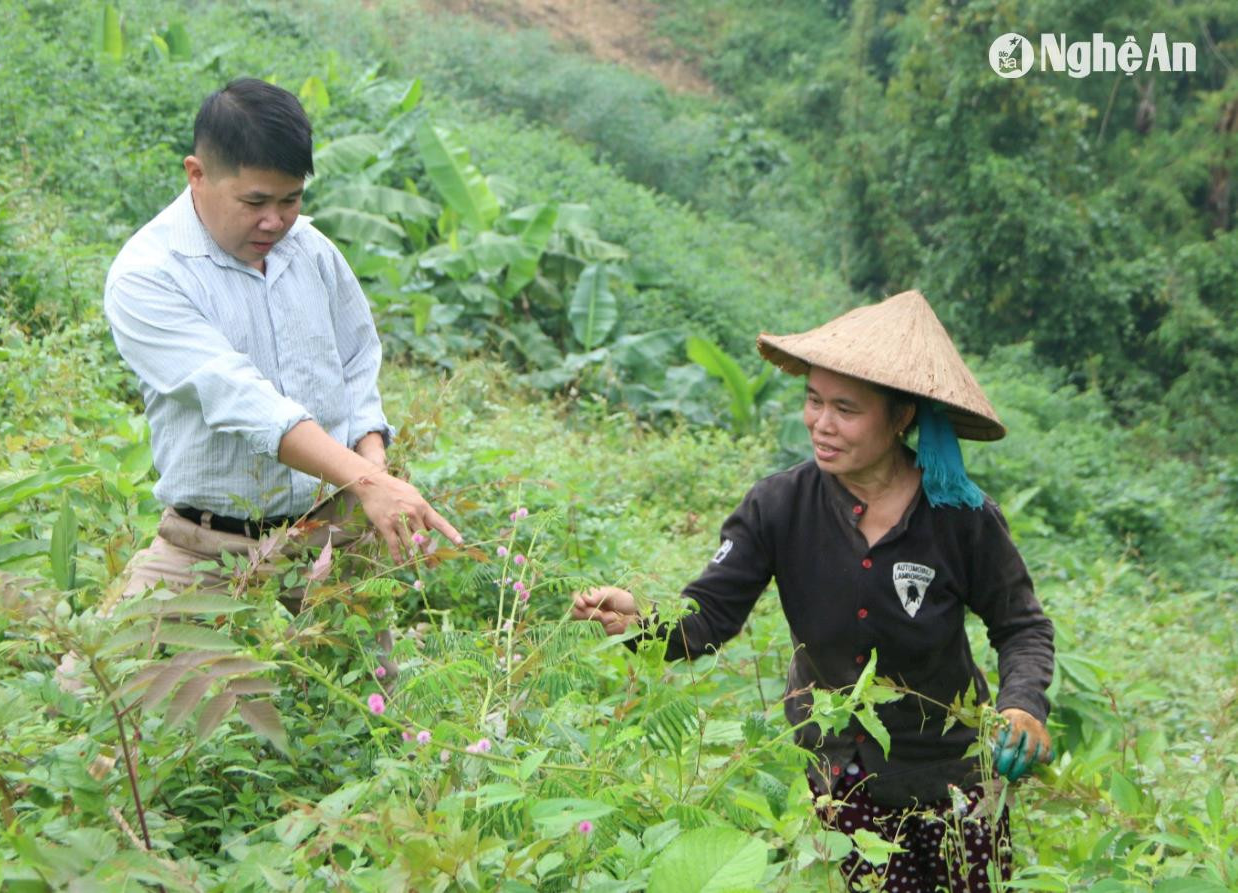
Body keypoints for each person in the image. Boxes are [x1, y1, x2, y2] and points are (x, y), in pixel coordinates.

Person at [572, 291, 1054, 891]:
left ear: (901, 417)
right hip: (838, 770)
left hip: (953, 772)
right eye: (813, 400)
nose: (821, 424)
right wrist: (640, 621)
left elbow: (1022, 627)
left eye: (846, 409)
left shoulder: (962, 516)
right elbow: (706, 620)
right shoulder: (778, 506)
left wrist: (1023, 705)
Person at [104, 77, 461, 606]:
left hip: (330, 538)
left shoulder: (312, 251)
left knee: (358, 683)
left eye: (290, 199)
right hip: (210, 551)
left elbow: (357, 362)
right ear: (196, 174)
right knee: (100, 683)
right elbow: (242, 400)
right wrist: (366, 481)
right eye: (255, 201)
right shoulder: (149, 274)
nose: (275, 221)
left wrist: (372, 463)